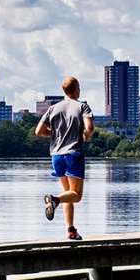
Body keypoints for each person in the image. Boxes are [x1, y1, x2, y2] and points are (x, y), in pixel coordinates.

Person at [35, 77, 95, 240]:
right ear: (77, 89)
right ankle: (53, 199)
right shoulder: (82, 106)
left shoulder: (53, 108)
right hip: (73, 154)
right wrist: (86, 134)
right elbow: (89, 127)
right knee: (76, 195)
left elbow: (39, 131)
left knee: (68, 193)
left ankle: (71, 230)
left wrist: (55, 134)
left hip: (56, 155)